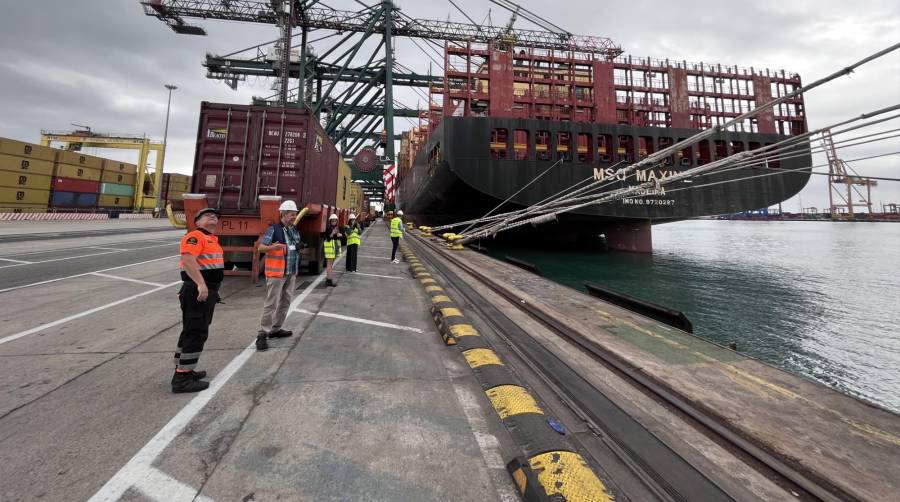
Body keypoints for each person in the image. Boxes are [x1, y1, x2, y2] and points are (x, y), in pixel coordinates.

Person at [172, 207, 224, 394]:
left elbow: (209, 266)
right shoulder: (195, 236)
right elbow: (187, 260)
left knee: (191, 330)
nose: (213, 217)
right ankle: (182, 378)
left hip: (204, 291)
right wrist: (201, 285)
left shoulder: (211, 239)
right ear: (198, 222)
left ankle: (185, 368)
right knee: (196, 331)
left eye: (216, 216)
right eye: (208, 215)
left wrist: (212, 290)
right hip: (197, 291)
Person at [255, 200, 303, 352]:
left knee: (286, 302)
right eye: (291, 215)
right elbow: (261, 248)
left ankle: (276, 329)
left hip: (290, 272)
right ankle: (262, 334)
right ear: (283, 214)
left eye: (295, 214)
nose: (294, 217)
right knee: (271, 303)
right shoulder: (274, 229)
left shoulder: (294, 229)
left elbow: (295, 246)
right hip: (277, 273)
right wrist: (272, 247)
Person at [323, 213, 342, 287]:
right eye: (333, 221)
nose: (334, 222)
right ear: (330, 221)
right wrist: (333, 233)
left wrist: (339, 235)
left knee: (331, 265)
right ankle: (329, 280)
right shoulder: (328, 228)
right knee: (329, 265)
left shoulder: (336, 227)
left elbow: (337, 237)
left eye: (335, 221)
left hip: (334, 249)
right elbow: (328, 238)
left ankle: (328, 279)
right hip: (330, 249)